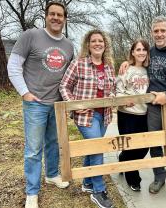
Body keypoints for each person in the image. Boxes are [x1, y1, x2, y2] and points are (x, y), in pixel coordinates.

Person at [119, 16, 166, 208]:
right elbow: (137, 64)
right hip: (152, 108)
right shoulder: (150, 53)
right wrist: (126, 63)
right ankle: (159, 177)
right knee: (154, 146)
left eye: (163, 30)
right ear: (152, 33)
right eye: (156, 31)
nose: (159, 34)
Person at [7, 1, 74, 208]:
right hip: (35, 103)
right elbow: (13, 65)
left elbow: (74, 74)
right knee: (33, 149)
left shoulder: (69, 45)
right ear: (46, 16)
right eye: (52, 14)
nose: (56, 18)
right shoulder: (30, 36)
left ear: (64, 19)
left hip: (57, 104)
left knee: (53, 143)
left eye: (60, 15)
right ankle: (32, 192)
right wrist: (25, 93)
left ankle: (51, 174)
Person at [59, 29, 116, 208]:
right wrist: (75, 105)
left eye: (101, 41)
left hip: (104, 115)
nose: (98, 43)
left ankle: (87, 182)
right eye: (94, 41)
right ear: (88, 45)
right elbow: (64, 87)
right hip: (86, 117)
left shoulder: (108, 66)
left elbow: (113, 88)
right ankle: (98, 191)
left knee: (93, 148)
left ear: (105, 45)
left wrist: (115, 96)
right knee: (97, 148)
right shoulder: (79, 64)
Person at [116, 39, 150, 191]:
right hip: (127, 114)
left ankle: (122, 159)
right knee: (130, 147)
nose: (141, 52)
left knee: (144, 147)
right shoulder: (126, 69)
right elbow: (117, 89)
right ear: (133, 52)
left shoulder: (149, 70)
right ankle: (133, 179)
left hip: (145, 114)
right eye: (138, 49)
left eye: (144, 49)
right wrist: (124, 100)